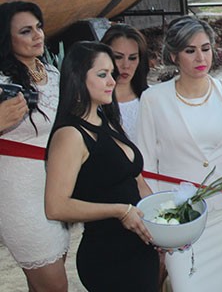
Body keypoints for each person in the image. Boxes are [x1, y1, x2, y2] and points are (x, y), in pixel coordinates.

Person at [137, 15, 222, 291]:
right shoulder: (153, 99)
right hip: (178, 219)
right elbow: (145, 164)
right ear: (174, 55)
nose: (201, 57)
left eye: (205, 48)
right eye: (190, 50)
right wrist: (157, 222)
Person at [44, 42, 158, 291]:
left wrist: (163, 226)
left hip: (140, 249)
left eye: (112, 74)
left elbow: (136, 181)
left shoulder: (107, 119)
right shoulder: (70, 135)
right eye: (102, 74)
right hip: (108, 257)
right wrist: (120, 211)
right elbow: (55, 207)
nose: (112, 82)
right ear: (77, 78)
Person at [0, 0, 69, 291]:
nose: (37, 35)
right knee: (55, 286)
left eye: (38, 27)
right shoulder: (2, 82)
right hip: (18, 196)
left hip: (55, 193)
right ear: (7, 39)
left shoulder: (52, 74)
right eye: (26, 31)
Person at [100, 24, 150, 140]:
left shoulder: (153, 98)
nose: (126, 65)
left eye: (132, 58)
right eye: (118, 57)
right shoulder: (92, 103)